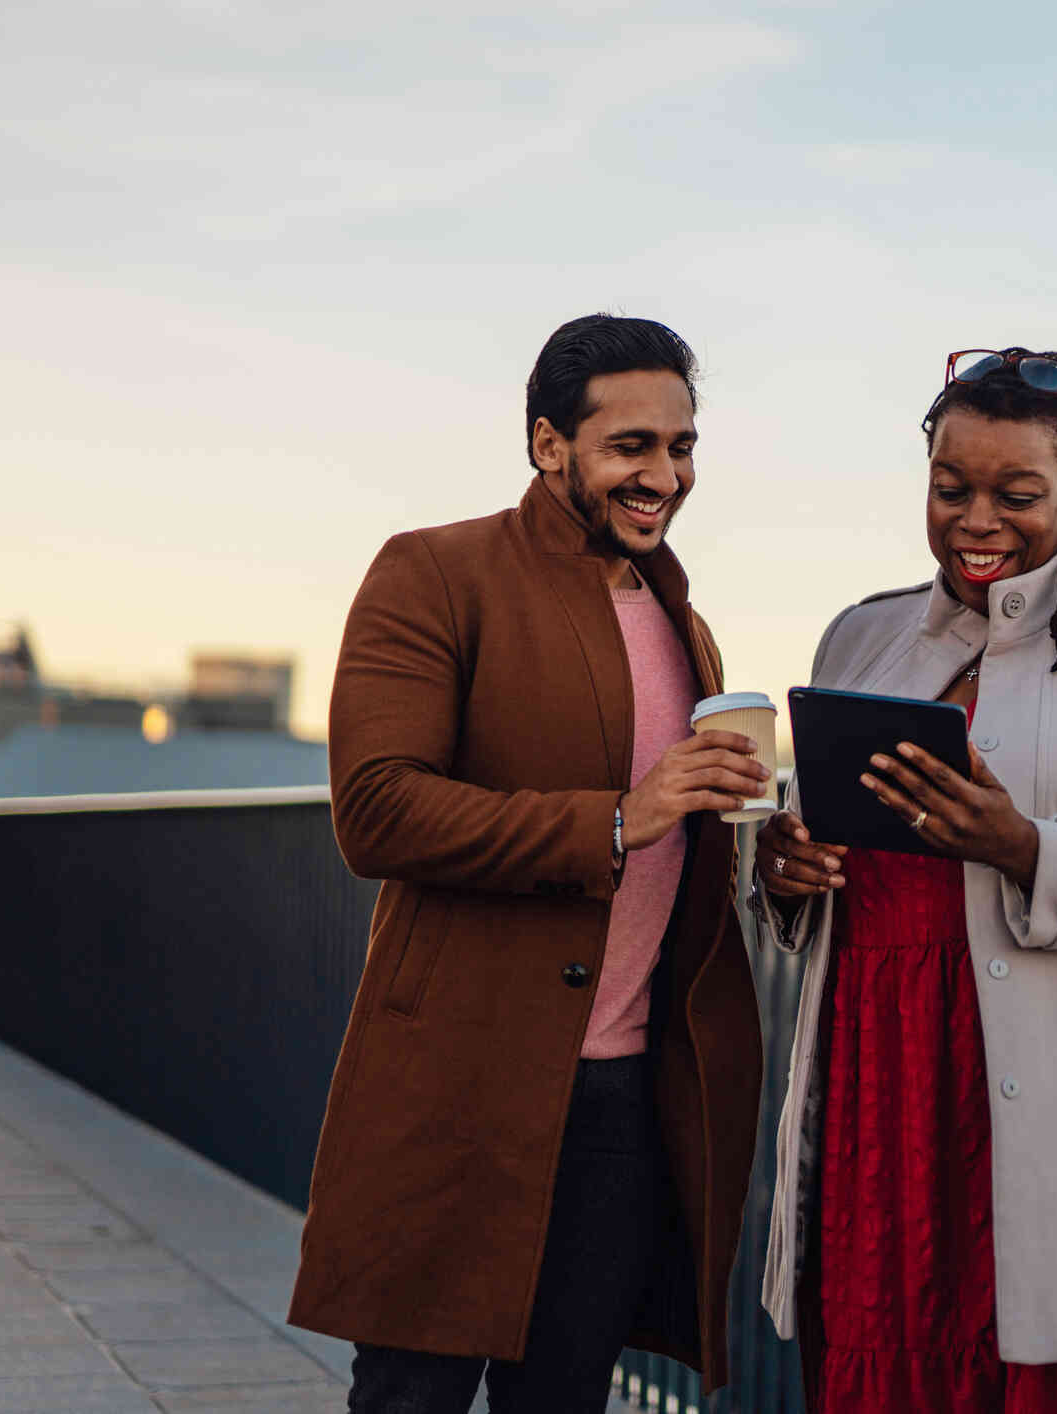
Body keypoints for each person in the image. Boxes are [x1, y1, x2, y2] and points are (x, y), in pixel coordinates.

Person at [288, 314, 768, 1412]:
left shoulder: (683, 624)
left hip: (621, 1101)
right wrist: (611, 819)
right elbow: (375, 810)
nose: (665, 475)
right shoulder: (433, 572)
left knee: (565, 1398)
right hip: (460, 1089)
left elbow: (672, 845)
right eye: (633, 446)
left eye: (683, 446)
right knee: (409, 1396)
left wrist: (762, 850)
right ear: (551, 445)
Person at [751, 346, 1057, 1413]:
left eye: (1016, 494)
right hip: (881, 1081)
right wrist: (784, 871)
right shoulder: (861, 635)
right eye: (949, 488)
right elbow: (819, 842)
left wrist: (1026, 846)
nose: (978, 519)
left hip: (1053, 1083)